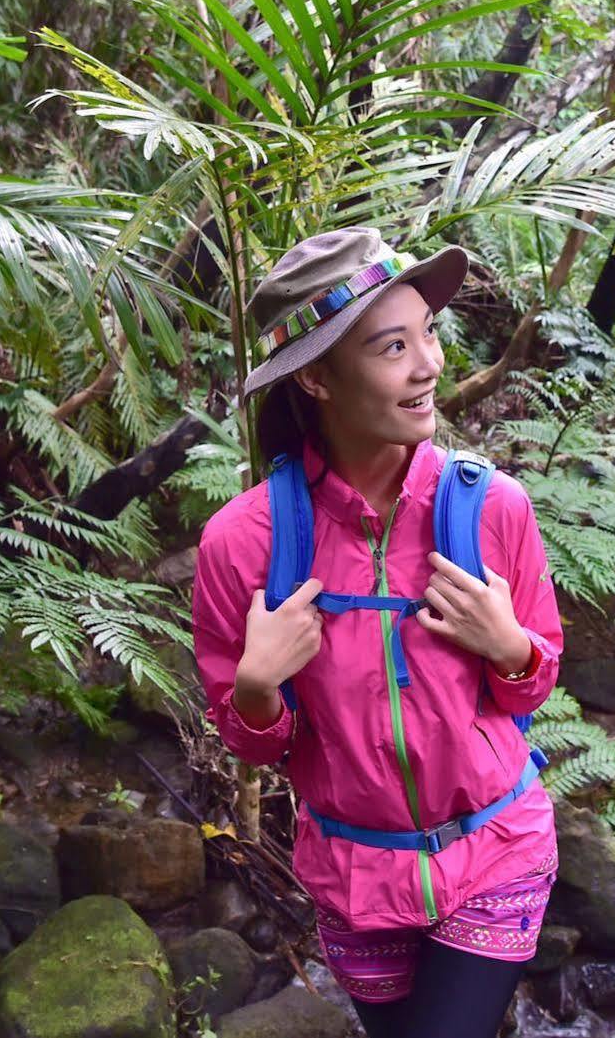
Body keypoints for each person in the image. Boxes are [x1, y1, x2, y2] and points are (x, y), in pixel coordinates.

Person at [192, 228, 564, 1038]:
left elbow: (533, 680)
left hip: (495, 844)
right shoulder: (245, 542)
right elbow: (256, 744)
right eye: (393, 345)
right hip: (354, 875)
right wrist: (255, 688)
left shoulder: (490, 507)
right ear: (317, 378)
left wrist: (510, 647)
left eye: (427, 333)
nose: (428, 364)